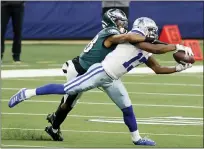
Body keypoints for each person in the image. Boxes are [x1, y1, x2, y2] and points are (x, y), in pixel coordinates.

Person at [8, 17, 193, 146]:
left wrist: (178, 68)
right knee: (67, 89)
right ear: (142, 28)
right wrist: (176, 45)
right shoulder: (137, 38)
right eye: (149, 29)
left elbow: (157, 68)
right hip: (100, 71)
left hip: (112, 79)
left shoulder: (148, 48)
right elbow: (151, 46)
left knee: (127, 106)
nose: (152, 32)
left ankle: (136, 139)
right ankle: (27, 92)